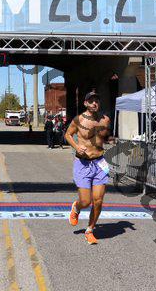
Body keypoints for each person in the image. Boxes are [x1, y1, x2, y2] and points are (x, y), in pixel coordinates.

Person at [64, 90, 113, 244]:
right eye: (91, 101)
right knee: (86, 201)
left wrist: (110, 139)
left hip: (99, 163)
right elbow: (67, 135)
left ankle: (90, 230)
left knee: (98, 200)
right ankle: (77, 208)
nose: (94, 103)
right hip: (83, 164)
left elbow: (105, 136)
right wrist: (76, 147)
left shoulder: (105, 120)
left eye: (96, 100)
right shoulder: (78, 120)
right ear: (85, 103)